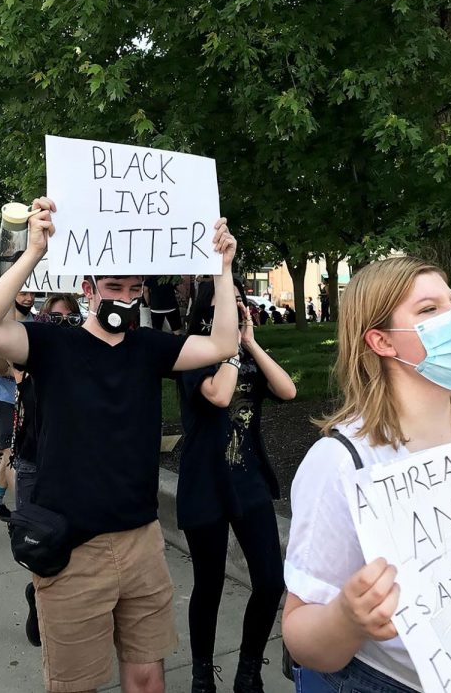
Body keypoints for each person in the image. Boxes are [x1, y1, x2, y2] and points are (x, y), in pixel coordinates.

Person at [0, 197, 239, 693]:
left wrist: (223, 268)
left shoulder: (149, 349)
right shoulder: (51, 343)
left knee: (148, 678)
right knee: (76, 685)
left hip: (141, 542)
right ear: (87, 288)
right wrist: (32, 253)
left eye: (134, 289)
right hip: (71, 547)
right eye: (113, 286)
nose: (124, 297)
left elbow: (222, 345)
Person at [281, 256, 451, 692]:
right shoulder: (341, 463)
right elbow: (303, 639)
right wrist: (347, 616)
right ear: (382, 342)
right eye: (429, 310)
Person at [178, 278, 296, 693]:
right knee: (207, 584)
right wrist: (228, 350)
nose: (240, 308)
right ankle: (201, 673)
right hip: (205, 483)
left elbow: (288, 389)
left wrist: (251, 344)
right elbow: (219, 397)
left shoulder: (246, 355)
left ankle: (248, 670)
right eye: (231, 303)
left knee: (269, 580)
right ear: (210, 310)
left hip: (249, 480)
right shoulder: (192, 351)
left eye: (242, 302)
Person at [15, 292, 83, 650]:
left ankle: (54, 607)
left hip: (67, 466)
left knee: (68, 548)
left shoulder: (84, 364)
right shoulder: (28, 360)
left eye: (69, 319)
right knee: (37, 547)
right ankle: (38, 599)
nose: (61, 326)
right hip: (31, 463)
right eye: (53, 319)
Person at [0, 289, 35, 521]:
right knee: (10, 452)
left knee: (15, 454)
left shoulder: (36, 323)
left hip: (28, 398)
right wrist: (11, 366)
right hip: (4, 398)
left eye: (31, 293)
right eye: (22, 293)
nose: (27, 298)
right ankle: (23, 510)